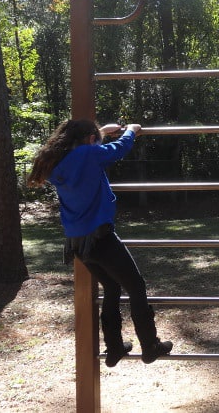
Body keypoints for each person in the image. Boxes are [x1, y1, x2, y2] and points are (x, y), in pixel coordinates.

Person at [27, 119, 173, 367]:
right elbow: (119, 149)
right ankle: (150, 346)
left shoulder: (59, 162)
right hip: (101, 238)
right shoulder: (88, 154)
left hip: (77, 244)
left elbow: (86, 151)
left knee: (112, 288)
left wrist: (101, 132)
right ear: (90, 140)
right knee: (136, 286)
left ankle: (114, 348)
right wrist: (131, 131)